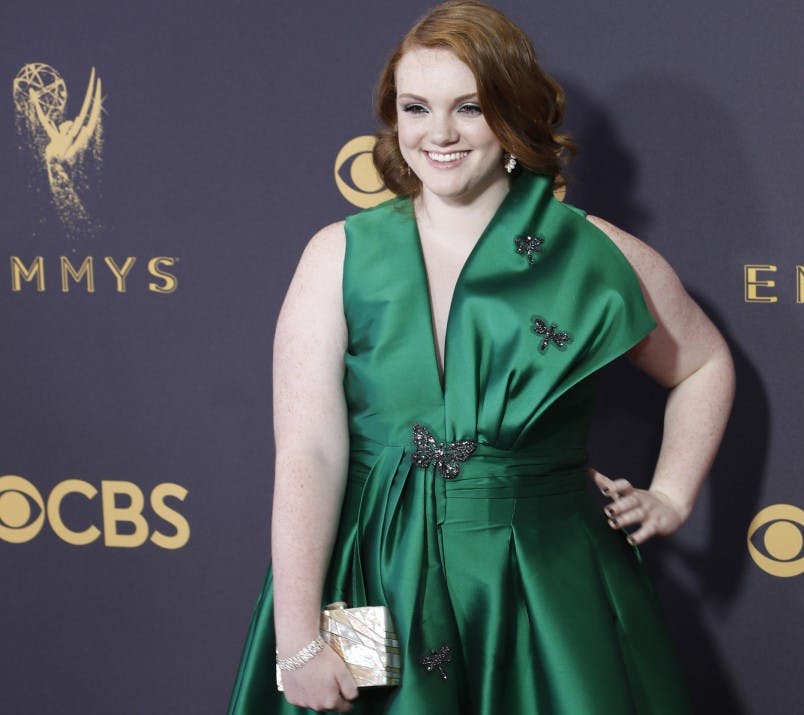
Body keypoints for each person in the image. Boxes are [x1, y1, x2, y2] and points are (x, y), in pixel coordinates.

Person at [229, 2, 735, 713]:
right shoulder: (338, 256)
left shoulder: (593, 254)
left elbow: (703, 364)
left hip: (543, 583)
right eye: (416, 107)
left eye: (468, 107)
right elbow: (309, 452)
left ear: (514, 117)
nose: (438, 133)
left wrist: (674, 493)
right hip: (375, 571)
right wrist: (300, 641)